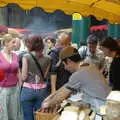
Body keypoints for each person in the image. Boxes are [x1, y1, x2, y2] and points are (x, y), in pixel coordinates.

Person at [42, 46, 111, 115]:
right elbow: (66, 86)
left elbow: (62, 95)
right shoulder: (89, 66)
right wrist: (51, 97)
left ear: (69, 61)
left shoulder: (79, 74)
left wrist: (47, 103)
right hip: (106, 104)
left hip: (101, 109)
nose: (65, 68)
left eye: (64, 65)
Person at [20, 34, 51, 120]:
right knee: (40, 116)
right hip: (42, 91)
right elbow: (44, 76)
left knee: (27, 117)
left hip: (27, 90)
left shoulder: (26, 57)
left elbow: (24, 77)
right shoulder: (48, 58)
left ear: (30, 44)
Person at [0, 34, 23, 120]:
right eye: (13, 42)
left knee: (14, 114)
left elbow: (18, 71)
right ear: (6, 43)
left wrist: (20, 85)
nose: (15, 45)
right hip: (2, 90)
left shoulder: (15, 55)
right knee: (4, 115)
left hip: (15, 89)